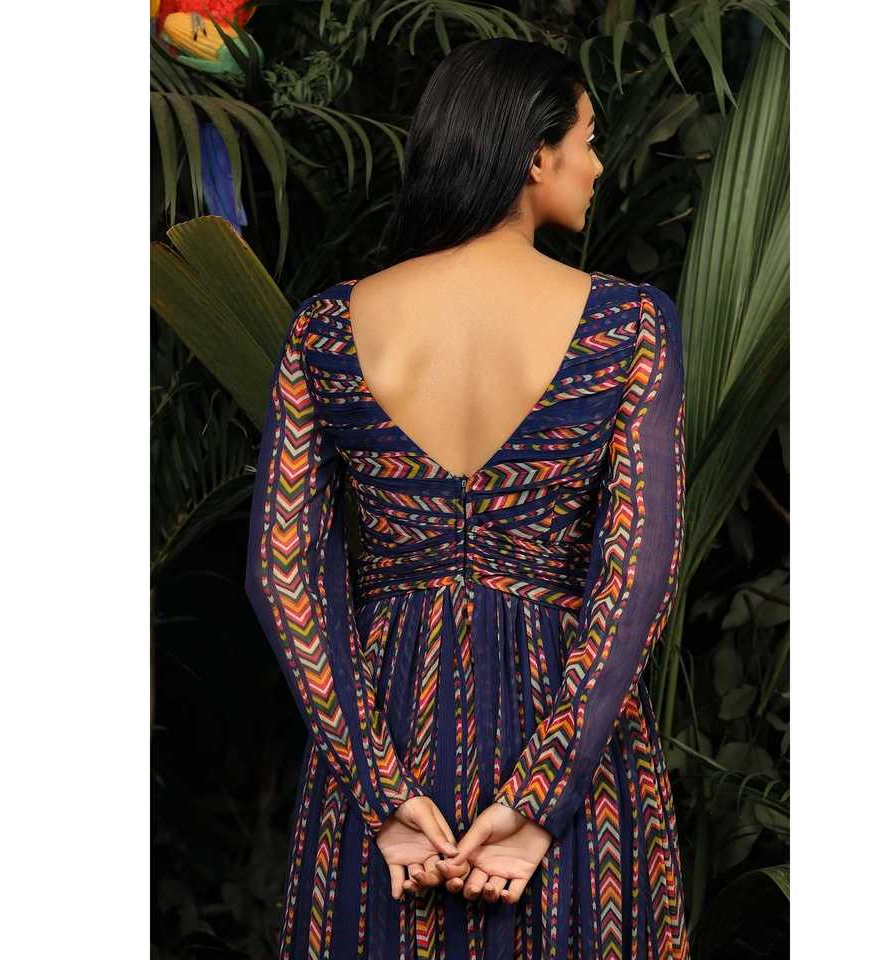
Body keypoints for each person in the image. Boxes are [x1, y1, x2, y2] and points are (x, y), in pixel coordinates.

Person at [245, 37, 690, 960]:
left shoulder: (324, 329)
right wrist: (540, 799)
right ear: (535, 157)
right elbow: (638, 576)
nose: (599, 165)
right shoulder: (630, 326)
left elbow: (283, 578)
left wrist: (379, 791)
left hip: (383, 732)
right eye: (588, 140)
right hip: (566, 738)